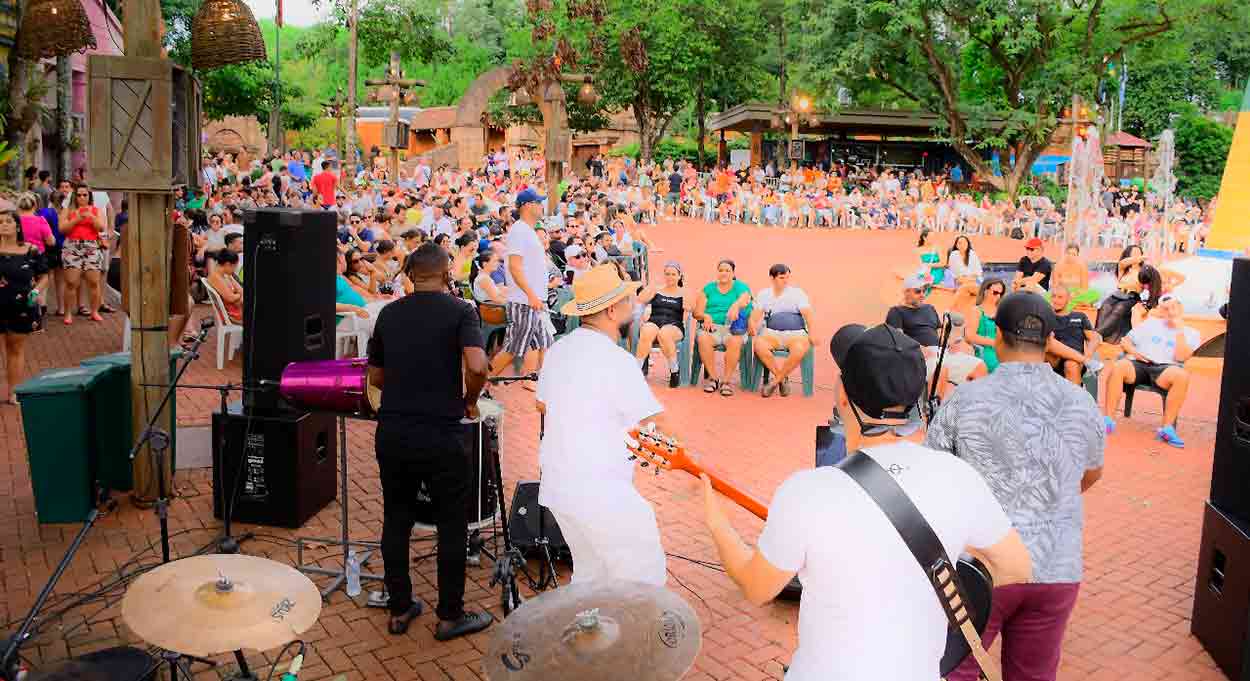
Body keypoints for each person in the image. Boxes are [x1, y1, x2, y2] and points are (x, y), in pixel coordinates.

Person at [702, 322, 1032, 681]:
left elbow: (756, 588)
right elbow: (1016, 568)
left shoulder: (806, 491)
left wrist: (717, 525)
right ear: (918, 398)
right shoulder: (958, 477)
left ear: (842, 394)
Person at [928, 291, 1104, 681]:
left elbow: (936, 474)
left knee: (957, 671)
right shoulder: (1080, 401)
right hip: (1055, 566)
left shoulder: (965, 398)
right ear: (1049, 340)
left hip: (982, 566)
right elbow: (1091, 472)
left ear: (998, 336)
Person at [366, 242, 493, 641]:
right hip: (442, 432)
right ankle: (450, 615)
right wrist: (469, 400)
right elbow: (477, 365)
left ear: (409, 275)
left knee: (396, 519)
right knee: (452, 524)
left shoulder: (389, 314)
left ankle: (400, 608)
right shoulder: (461, 311)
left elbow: (376, 378)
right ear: (446, 274)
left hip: (394, 430)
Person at [538, 264, 677, 585]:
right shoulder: (618, 360)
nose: (634, 305)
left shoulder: (559, 349)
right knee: (644, 581)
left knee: (591, 577)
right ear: (612, 310)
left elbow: (542, 403)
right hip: (600, 491)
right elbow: (656, 422)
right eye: (628, 300)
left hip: (560, 487)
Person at [1102, 295, 1198, 447]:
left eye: (1173, 307)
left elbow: (1181, 357)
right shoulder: (1151, 324)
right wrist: (1135, 353)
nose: (1169, 312)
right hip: (1140, 364)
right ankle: (1108, 421)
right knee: (1118, 366)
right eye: (1165, 309)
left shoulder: (1191, 333)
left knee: (1182, 376)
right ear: (1161, 311)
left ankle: (1167, 429)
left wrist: (1179, 330)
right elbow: (1125, 342)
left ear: (1180, 309)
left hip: (1165, 369)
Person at [489, 189, 553, 378]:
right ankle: (480, 384)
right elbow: (515, 267)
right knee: (512, 348)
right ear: (527, 205)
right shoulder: (519, 230)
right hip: (524, 301)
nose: (541, 206)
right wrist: (531, 295)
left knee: (544, 343)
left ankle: (537, 383)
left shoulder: (526, 230)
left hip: (533, 301)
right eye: (538, 202)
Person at [0, 208, 48, 404]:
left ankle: (13, 391)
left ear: (17, 226)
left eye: (8, 221)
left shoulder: (31, 250)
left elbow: (44, 276)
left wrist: (36, 292)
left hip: (21, 306)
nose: (3, 225)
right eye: (0, 222)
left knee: (15, 349)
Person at [750, 264, 815, 397]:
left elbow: (808, 315)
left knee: (799, 349)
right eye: (781, 278)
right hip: (772, 333)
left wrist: (813, 333)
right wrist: (751, 324)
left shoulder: (797, 293)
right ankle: (782, 378)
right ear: (772, 278)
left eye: (787, 277)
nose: (785, 281)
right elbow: (755, 316)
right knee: (759, 345)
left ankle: (774, 382)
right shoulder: (764, 294)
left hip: (796, 334)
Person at [694, 259, 752, 396]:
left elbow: (745, 298)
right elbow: (697, 312)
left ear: (733, 273)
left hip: (733, 327)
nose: (724, 273)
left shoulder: (740, 286)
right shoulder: (708, 288)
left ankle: (726, 381)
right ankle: (713, 378)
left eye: (727, 270)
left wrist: (735, 306)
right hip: (712, 327)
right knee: (703, 339)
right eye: (721, 270)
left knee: (735, 341)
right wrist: (705, 316)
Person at [635, 261, 689, 388]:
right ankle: (636, 370)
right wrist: (652, 286)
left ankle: (674, 371)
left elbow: (690, 308)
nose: (670, 277)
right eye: (667, 274)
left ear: (679, 276)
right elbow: (640, 299)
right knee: (646, 331)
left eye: (673, 274)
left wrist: (685, 293)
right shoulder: (657, 290)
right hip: (654, 321)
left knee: (664, 334)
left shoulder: (684, 292)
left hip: (674, 324)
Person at [60, 185, 106, 324]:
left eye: (85, 195)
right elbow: (62, 229)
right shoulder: (68, 210)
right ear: (75, 196)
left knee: (94, 281)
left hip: (91, 246)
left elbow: (101, 227)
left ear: (89, 196)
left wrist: (91, 217)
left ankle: (94, 311)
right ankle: (68, 313)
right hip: (72, 245)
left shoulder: (96, 210)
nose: (82, 197)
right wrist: (76, 219)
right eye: (79, 195)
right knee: (71, 282)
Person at [1046, 286, 1101, 386]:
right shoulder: (1046, 317)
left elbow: (1094, 338)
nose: (1056, 300)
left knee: (1071, 364)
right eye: (1053, 296)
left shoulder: (1079, 316)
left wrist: (1088, 354)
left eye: (1060, 297)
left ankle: (1075, 395)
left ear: (1068, 299)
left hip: (1076, 360)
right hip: (1053, 359)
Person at [886, 275, 941, 348]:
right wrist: (921, 349)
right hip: (915, 352)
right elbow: (898, 338)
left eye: (924, 291)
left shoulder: (930, 308)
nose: (922, 295)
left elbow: (940, 332)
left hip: (939, 351)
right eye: (918, 291)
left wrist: (949, 345)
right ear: (906, 292)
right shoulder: (896, 311)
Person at [965, 278, 1006, 374]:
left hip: (1001, 352)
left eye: (1001, 294)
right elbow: (969, 336)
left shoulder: (1002, 311)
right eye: (995, 293)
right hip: (983, 352)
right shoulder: (976, 311)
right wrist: (995, 343)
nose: (998, 296)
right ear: (985, 291)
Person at [205, 250, 243, 324]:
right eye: (235, 266)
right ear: (228, 264)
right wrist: (239, 295)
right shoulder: (215, 277)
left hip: (237, 309)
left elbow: (241, 291)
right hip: (233, 315)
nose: (235, 269)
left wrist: (238, 295)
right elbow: (230, 298)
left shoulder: (226, 275)